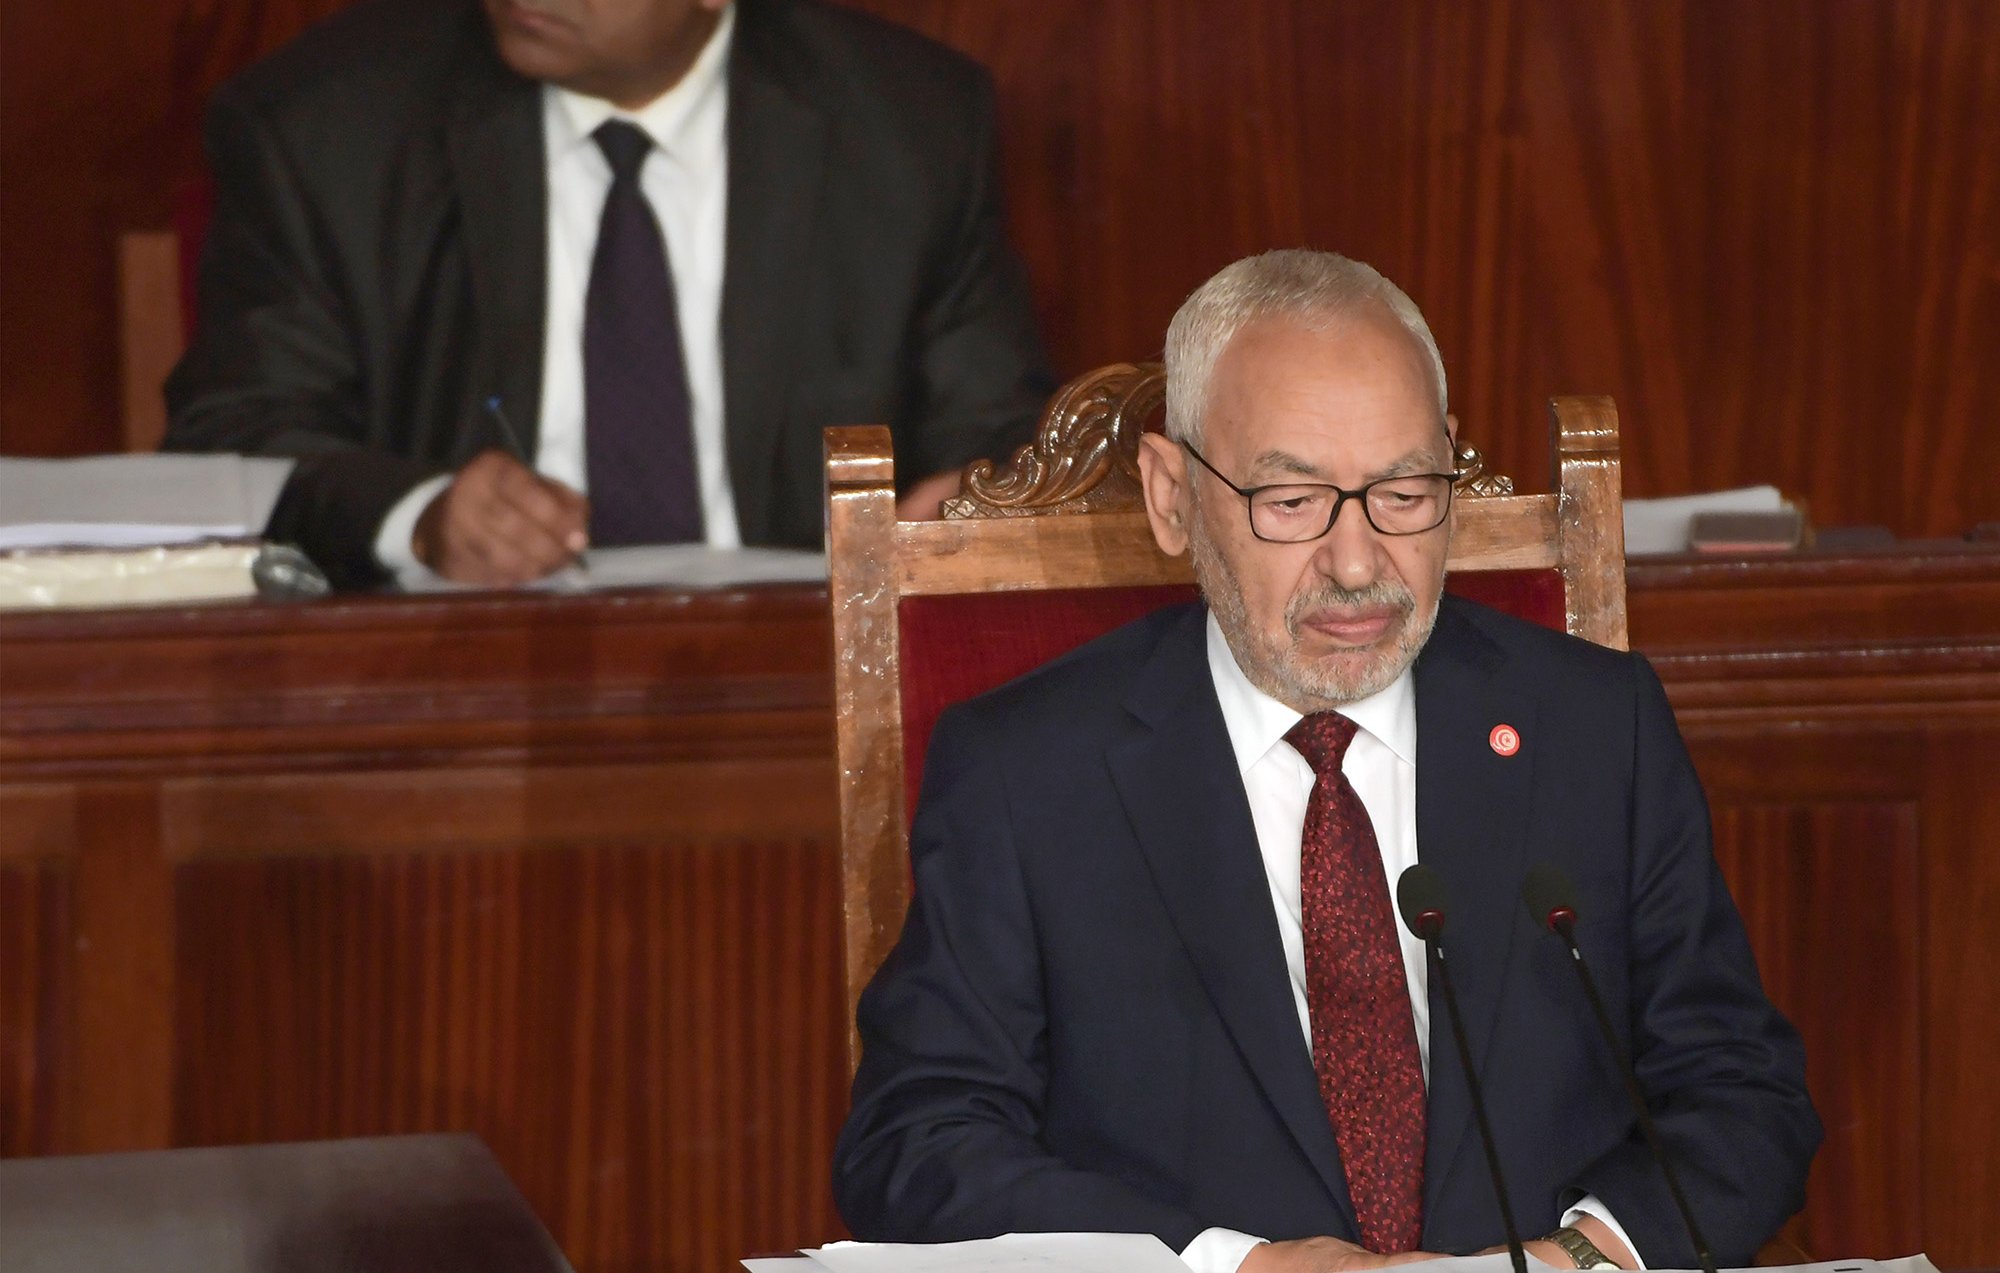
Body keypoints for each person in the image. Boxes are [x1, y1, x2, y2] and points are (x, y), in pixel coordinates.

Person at [833, 250, 1819, 1273]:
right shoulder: (1027, 772)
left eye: (1401, 492)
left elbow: (1739, 1094)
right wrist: (1232, 1265)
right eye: (1291, 500)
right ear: (1171, 497)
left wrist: (1581, 1255)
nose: (1357, 565)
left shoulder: (1591, 728)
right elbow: (917, 1144)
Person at [164, 0, 1052, 589]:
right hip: (441, 678)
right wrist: (419, 514)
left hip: (807, 678)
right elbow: (235, 435)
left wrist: (972, 502)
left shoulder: (912, 122)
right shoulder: (322, 126)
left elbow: (996, 429)